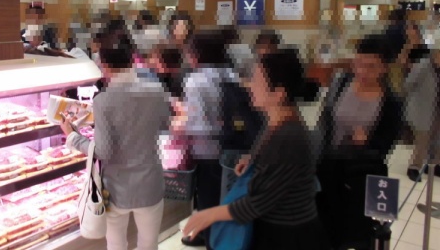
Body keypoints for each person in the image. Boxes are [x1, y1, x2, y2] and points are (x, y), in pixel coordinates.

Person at [182, 49, 328, 250]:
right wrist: (252, 159)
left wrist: (211, 214)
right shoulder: (276, 122)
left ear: (279, 93)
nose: (250, 86)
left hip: (288, 234)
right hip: (276, 228)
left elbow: (259, 202)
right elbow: (274, 165)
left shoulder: (289, 135)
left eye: (257, 81)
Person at [60, 19, 171, 250]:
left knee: (116, 244)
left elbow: (104, 151)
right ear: (131, 59)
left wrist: (73, 137)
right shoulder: (157, 90)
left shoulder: (104, 101)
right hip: (150, 183)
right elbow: (163, 126)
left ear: (104, 65)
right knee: (149, 244)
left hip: (116, 188)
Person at [315, 34, 403, 250]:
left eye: (371, 67)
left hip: (360, 176)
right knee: (326, 226)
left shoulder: (391, 102)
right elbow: (325, 120)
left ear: (385, 68)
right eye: (359, 64)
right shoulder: (341, 83)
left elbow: (386, 144)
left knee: (358, 231)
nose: (363, 71)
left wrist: (368, 142)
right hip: (329, 168)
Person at [176, 29, 237, 248]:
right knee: (226, 197)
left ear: (197, 54)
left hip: (207, 150)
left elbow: (200, 125)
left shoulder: (196, 81)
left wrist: (180, 126)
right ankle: (213, 237)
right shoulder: (231, 75)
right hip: (233, 149)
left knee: (207, 198)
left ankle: (210, 239)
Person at [401, 21, 440, 180]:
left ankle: (435, 164)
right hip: (423, 109)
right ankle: (415, 167)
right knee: (422, 141)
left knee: (438, 139)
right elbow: (408, 85)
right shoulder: (424, 65)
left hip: (437, 108)